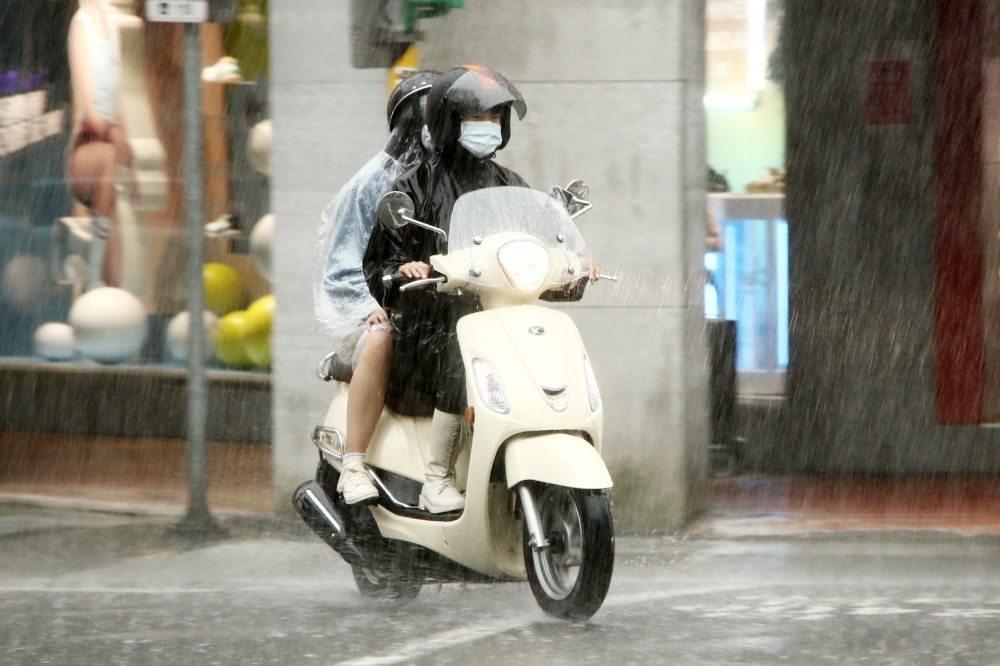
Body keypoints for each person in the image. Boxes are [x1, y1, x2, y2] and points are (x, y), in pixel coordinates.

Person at [363, 66, 530, 513]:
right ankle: (437, 479)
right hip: (431, 326)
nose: (489, 127)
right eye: (478, 116)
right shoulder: (414, 186)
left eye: (497, 118)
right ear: (448, 121)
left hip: (499, 317)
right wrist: (406, 270)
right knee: (465, 355)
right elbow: (380, 263)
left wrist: (571, 261)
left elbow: (537, 241)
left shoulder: (510, 186)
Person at [314, 71, 439, 505]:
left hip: (440, 305)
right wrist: (372, 302)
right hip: (382, 304)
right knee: (382, 335)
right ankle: (354, 464)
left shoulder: (458, 178)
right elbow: (342, 265)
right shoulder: (373, 183)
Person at [67, 0, 134, 288]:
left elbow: (117, 106)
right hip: (87, 149)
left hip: (108, 147)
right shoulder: (81, 26)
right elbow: (91, 109)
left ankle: (100, 280)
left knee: (117, 276)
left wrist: (130, 161)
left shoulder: (113, 27)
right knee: (108, 156)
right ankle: (93, 271)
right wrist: (112, 133)